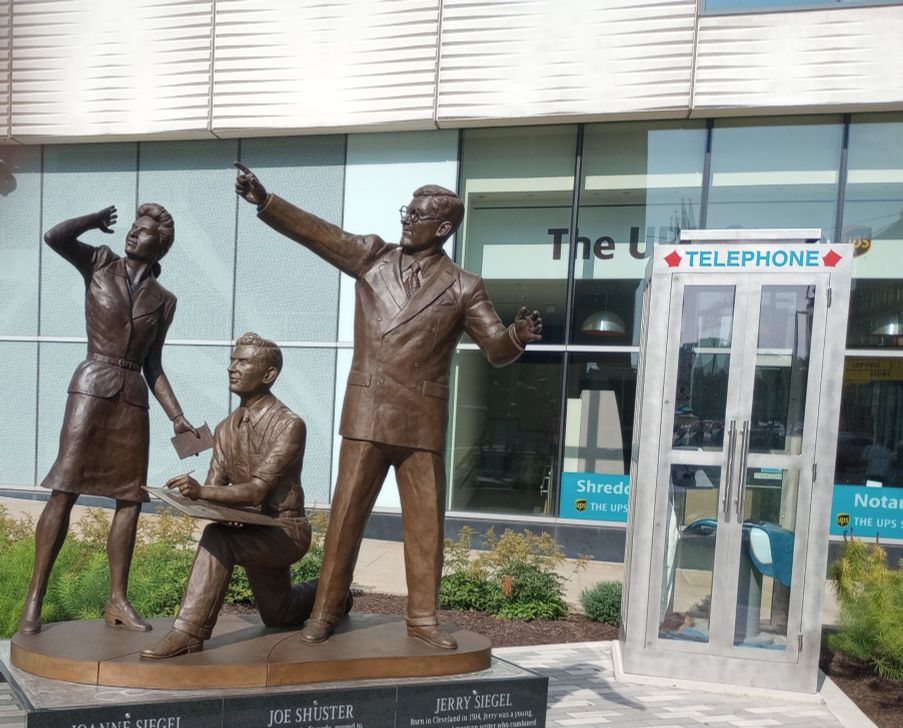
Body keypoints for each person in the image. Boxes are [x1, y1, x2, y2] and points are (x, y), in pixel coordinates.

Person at [234, 163, 542, 650]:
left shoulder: (465, 285)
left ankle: (422, 619)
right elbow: (319, 234)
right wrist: (267, 202)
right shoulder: (373, 257)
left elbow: (496, 352)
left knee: (425, 527)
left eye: (417, 215)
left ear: (442, 228)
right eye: (407, 210)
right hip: (368, 411)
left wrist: (517, 338)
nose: (407, 220)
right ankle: (325, 611)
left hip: (421, 419)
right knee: (345, 521)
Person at [19, 204, 198, 635]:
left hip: (132, 398)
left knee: (130, 500)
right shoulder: (99, 261)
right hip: (91, 386)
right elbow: (55, 236)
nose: (134, 235)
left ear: (161, 245)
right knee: (65, 489)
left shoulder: (164, 300)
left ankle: (117, 598)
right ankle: (34, 599)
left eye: (144, 232)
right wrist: (92, 220)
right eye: (133, 229)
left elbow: (153, 365)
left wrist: (177, 416)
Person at [140, 332, 319, 659]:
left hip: (285, 532)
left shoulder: (290, 425)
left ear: (268, 375)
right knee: (279, 614)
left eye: (243, 362)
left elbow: (257, 491)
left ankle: (189, 633)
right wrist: (187, 496)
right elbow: (214, 491)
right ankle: (333, 591)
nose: (231, 368)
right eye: (232, 360)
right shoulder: (224, 429)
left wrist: (203, 491)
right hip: (249, 528)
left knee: (218, 539)